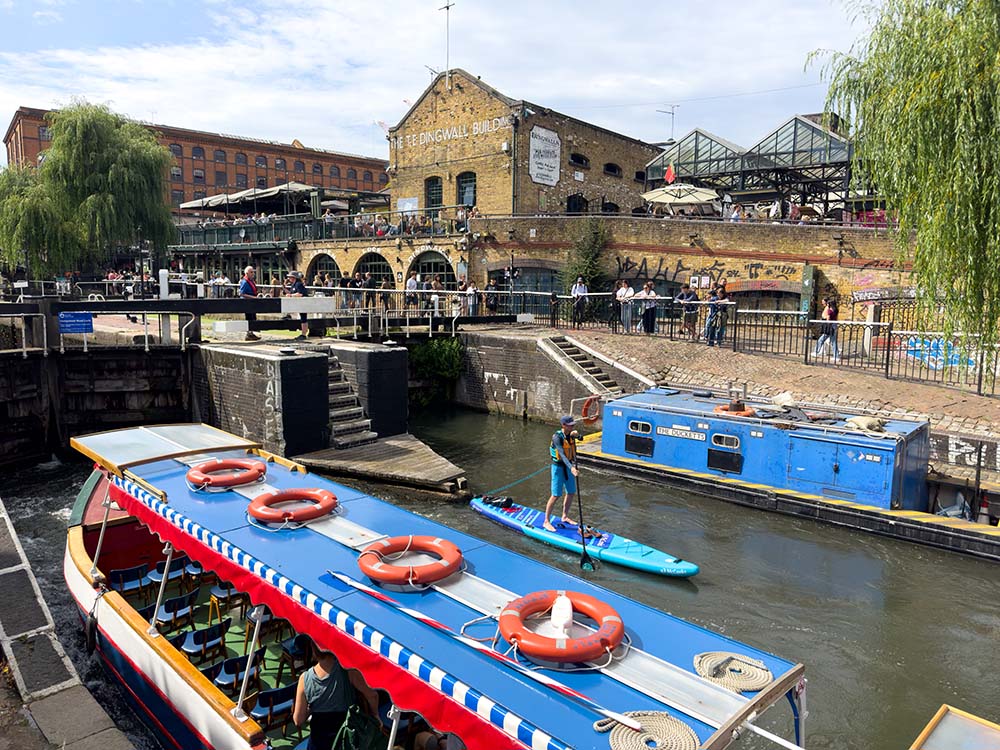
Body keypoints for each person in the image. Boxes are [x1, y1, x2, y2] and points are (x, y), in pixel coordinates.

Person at [292, 645, 378, 750]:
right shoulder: (348, 671)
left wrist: (311, 709)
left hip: (319, 743)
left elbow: (298, 720)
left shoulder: (304, 679)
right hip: (346, 739)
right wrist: (375, 715)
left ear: (313, 651)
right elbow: (372, 696)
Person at [543, 415, 580, 532]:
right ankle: (546, 521)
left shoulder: (570, 435)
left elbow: (582, 439)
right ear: (564, 425)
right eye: (571, 425)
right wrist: (572, 468)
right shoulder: (556, 437)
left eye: (573, 425)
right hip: (558, 468)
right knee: (556, 495)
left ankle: (564, 516)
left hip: (568, 467)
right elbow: (562, 455)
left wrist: (578, 435)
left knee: (571, 492)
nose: (573, 426)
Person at [814, 296, 840, 362]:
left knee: (821, 339)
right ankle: (836, 356)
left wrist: (827, 326)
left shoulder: (829, 310)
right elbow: (836, 318)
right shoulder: (836, 310)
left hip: (829, 326)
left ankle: (816, 351)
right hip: (834, 325)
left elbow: (828, 319)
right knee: (833, 342)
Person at [238, 265, 261, 341]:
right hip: (247, 303)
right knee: (249, 318)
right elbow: (242, 293)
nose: (253, 274)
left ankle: (251, 333)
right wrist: (253, 297)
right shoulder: (245, 282)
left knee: (253, 317)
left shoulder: (251, 281)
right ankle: (249, 334)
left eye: (253, 272)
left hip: (252, 303)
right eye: (251, 272)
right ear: (247, 273)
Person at [286, 270, 310, 339]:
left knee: (303, 318)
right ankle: (303, 333)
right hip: (298, 304)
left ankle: (304, 334)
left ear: (294, 277)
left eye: (290, 277)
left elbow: (300, 294)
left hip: (303, 303)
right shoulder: (293, 285)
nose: (289, 279)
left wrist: (291, 295)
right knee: (302, 318)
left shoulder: (298, 284)